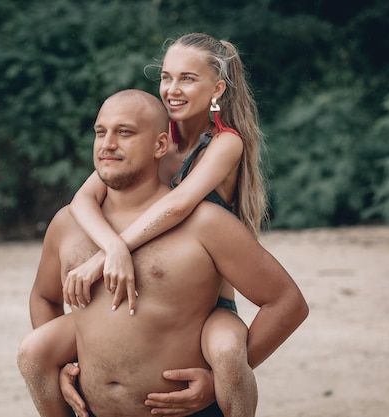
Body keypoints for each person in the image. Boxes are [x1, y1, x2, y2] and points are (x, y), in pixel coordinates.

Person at [18, 89, 308, 417]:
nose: (107, 144)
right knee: (31, 351)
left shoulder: (206, 223)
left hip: (187, 412)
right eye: (100, 133)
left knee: (227, 350)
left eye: (124, 132)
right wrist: (63, 368)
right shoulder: (68, 223)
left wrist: (215, 381)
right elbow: (44, 297)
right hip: (90, 410)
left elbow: (287, 302)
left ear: (159, 146)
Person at [63, 33, 266, 417]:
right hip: (155, 297)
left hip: (208, 304)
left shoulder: (225, 143)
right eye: (166, 77)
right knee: (39, 349)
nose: (172, 89)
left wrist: (102, 257)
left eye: (187, 78)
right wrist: (113, 248)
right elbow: (82, 200)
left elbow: (177, 205)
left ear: (217, 88)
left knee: (226, 355)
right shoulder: (155, 139)